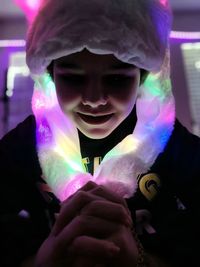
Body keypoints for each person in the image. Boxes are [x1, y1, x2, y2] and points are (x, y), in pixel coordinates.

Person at [0, 0, 200, 266]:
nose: (94, 99)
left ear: (142, 79)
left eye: (116, 79)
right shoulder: (21, 149)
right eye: (74, 78)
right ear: (51, 76)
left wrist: (139, 259)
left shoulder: (180, 153)